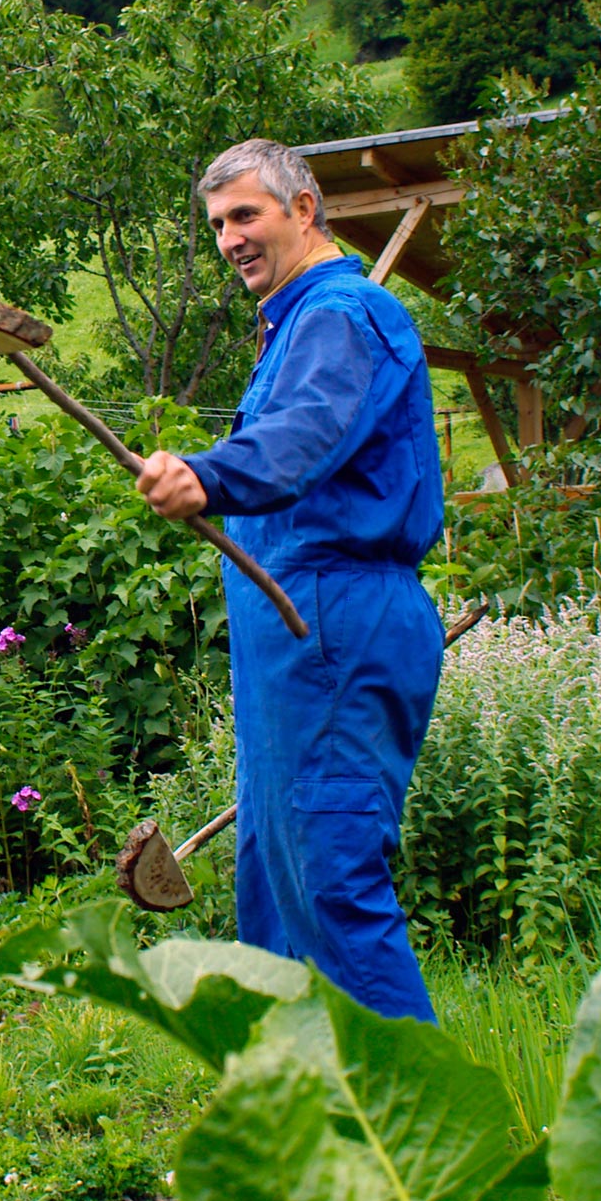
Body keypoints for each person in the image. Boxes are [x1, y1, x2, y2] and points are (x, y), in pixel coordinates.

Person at [135, 139, 445, 1021]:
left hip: (333, 616)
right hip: (295, 622)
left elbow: (307, 429)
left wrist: (211, 474)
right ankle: (309, 1103)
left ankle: (413, 1126)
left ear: (304, 208)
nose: (230, 238)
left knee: (330, 871)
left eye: (247, 215)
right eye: (219, 223)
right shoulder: (294, 319)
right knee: (276, 872)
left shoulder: (342, 312)